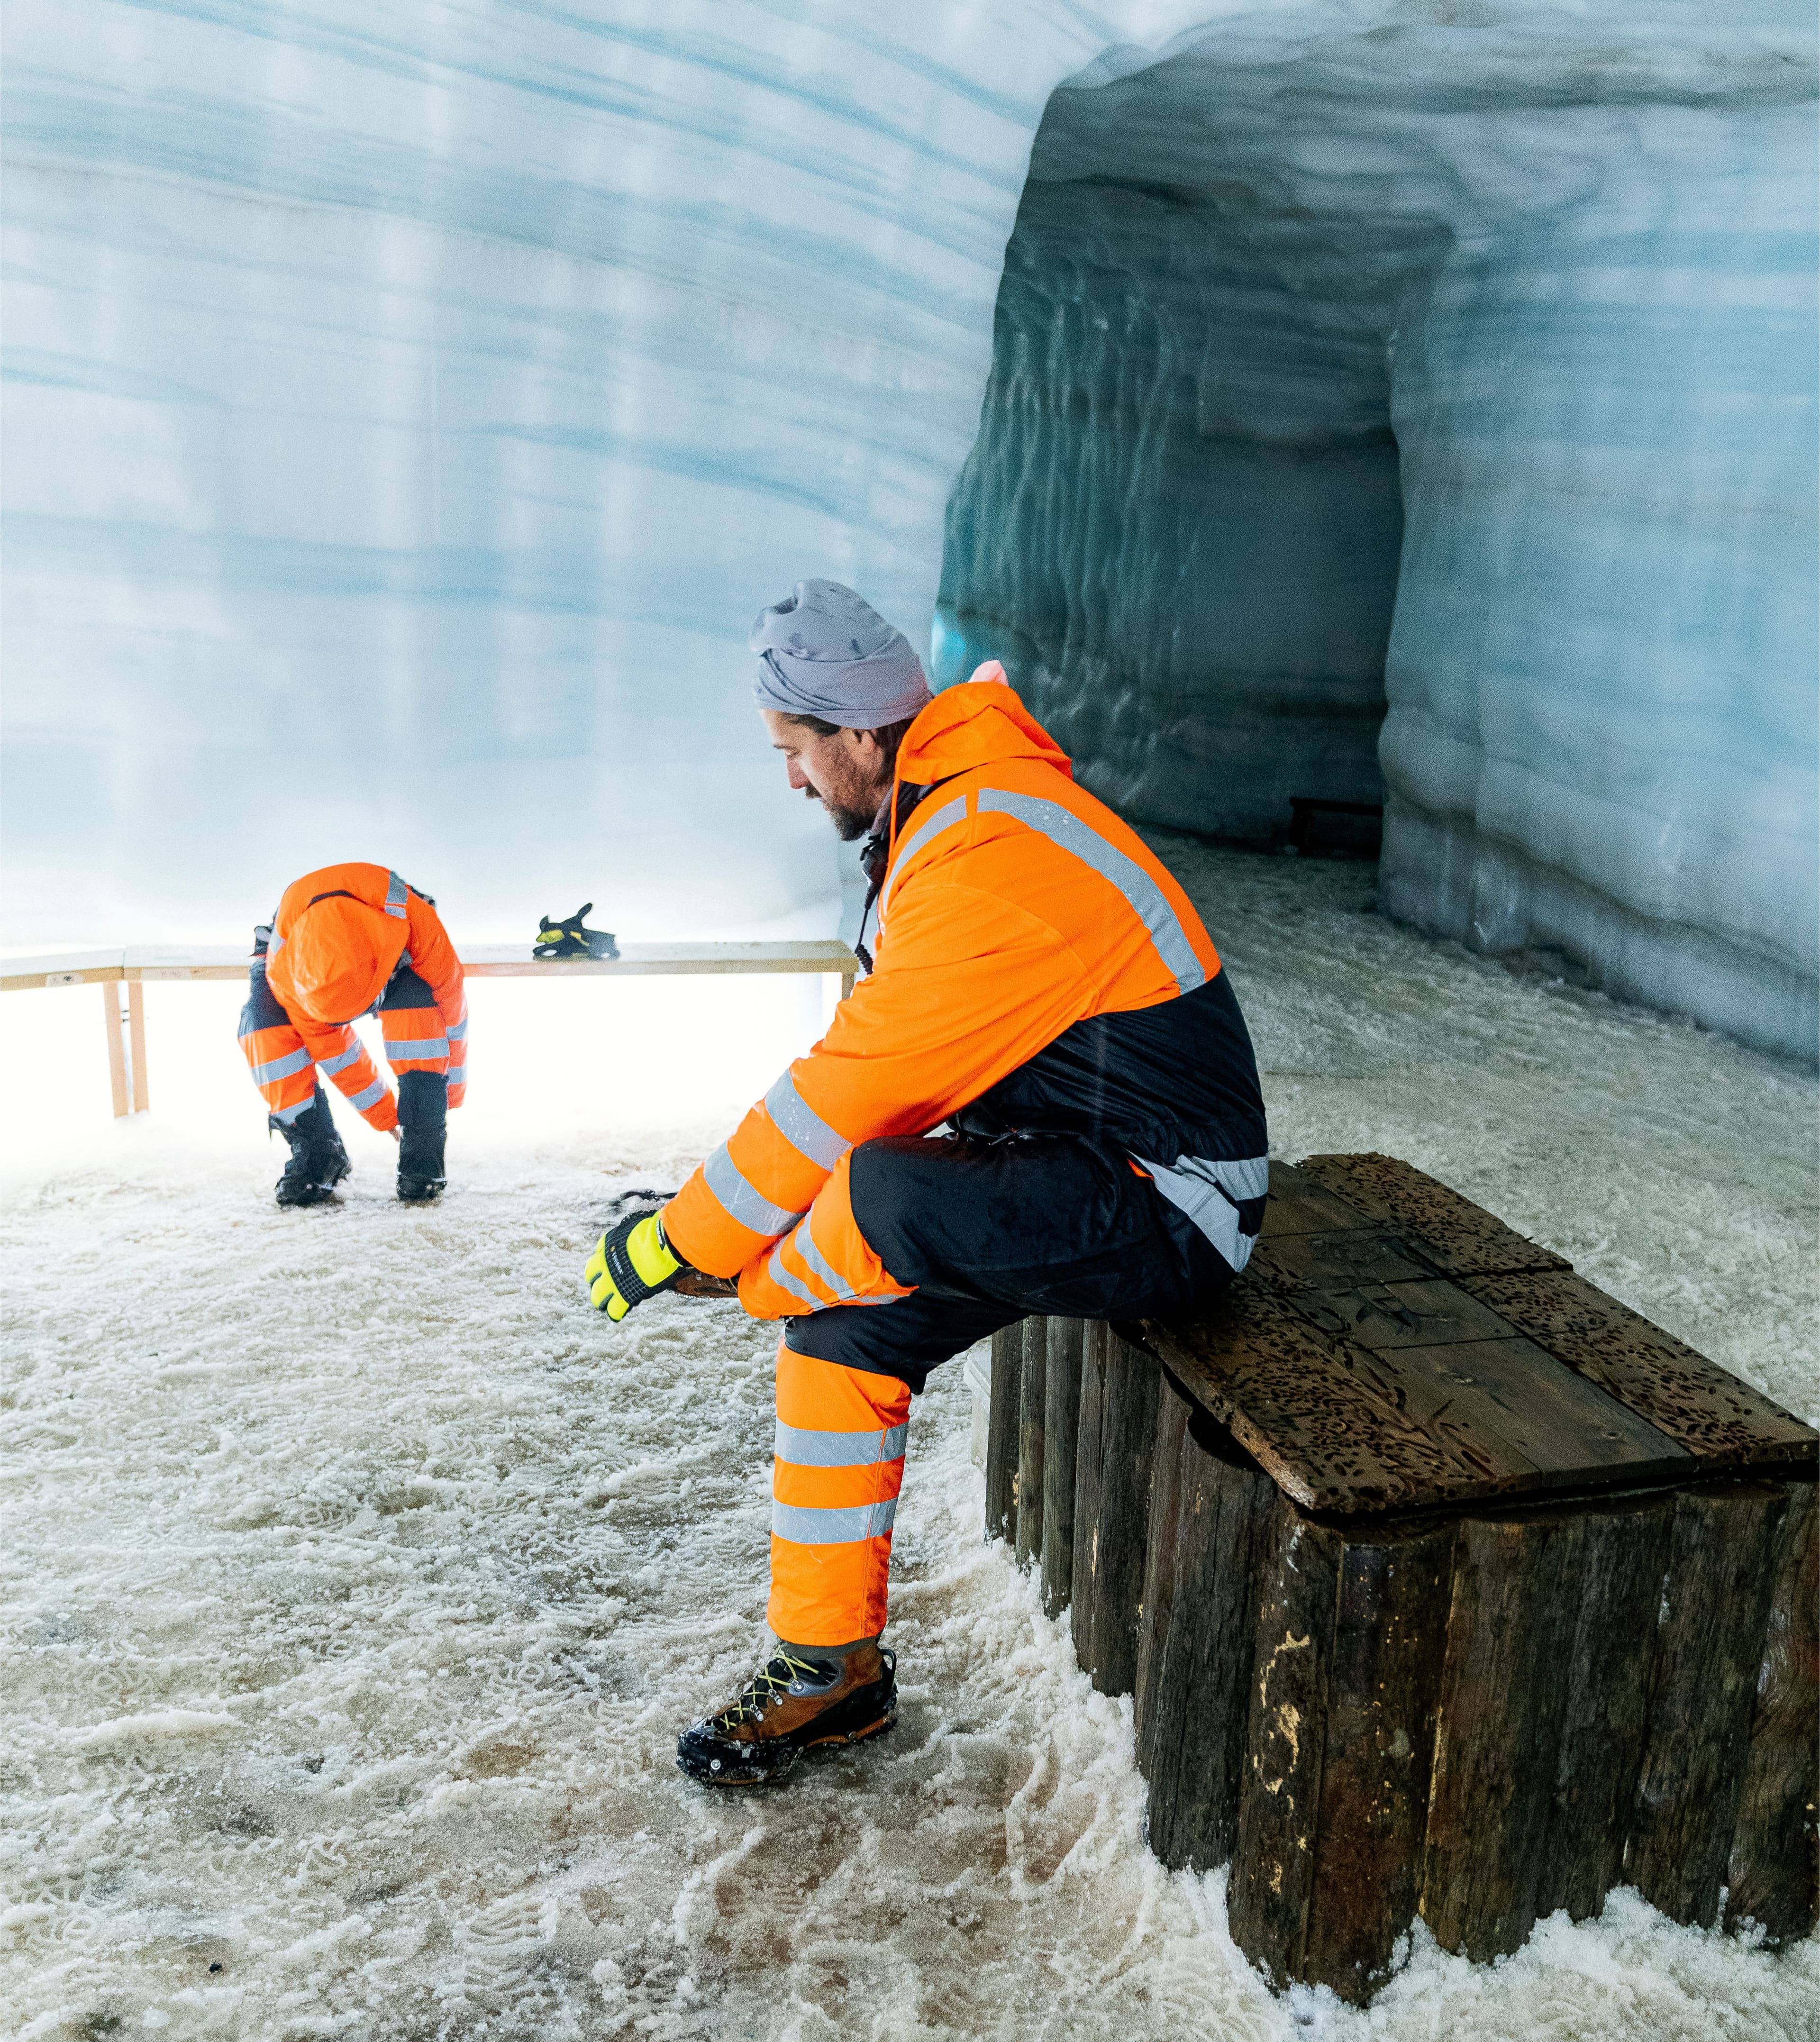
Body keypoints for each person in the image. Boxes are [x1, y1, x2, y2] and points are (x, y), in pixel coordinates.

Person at [585, 580, 1267, 1787]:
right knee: (844, 1324)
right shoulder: (952, 814)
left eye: (794, 750)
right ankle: (826, 1670)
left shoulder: (986, 847)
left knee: (883, 1193)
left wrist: (695, 1245)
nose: (790, 780)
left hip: (1173, 1199)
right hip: (1071, 1163)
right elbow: (874, 1063)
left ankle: (739, 1278)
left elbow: (852, 1090)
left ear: (854, 734)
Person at [237, 863, 469, 1205]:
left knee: (419, 1006)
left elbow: (453, 1016)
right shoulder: (291, 981)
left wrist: (450, 1091)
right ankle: (319, 1155)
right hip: (297, 952)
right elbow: (338, 1055)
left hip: (393, 941)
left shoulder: (418, 925)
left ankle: (423, 1157)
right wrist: (385, 1115)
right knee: (264, 1025)